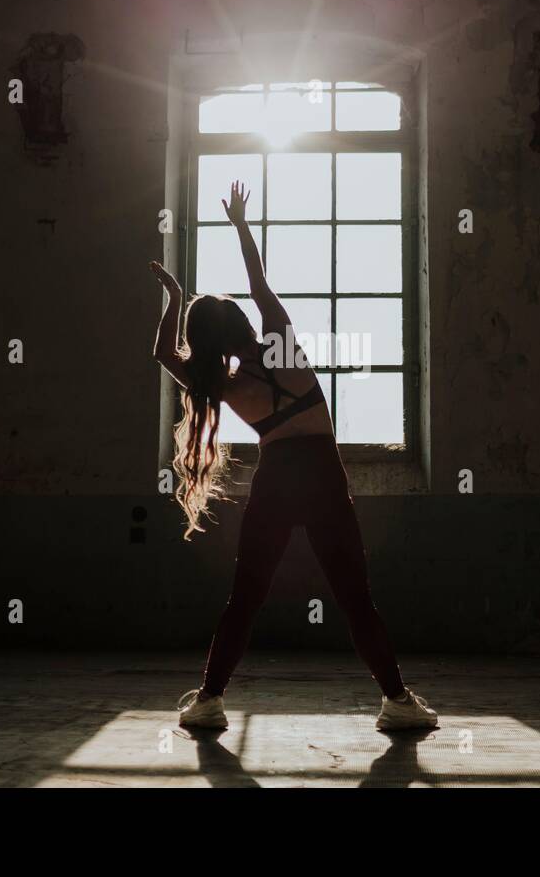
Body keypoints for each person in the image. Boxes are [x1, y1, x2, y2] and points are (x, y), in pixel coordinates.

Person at [149, 180, 437, 732]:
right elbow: (258, 283)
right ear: (240, 323)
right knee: (355, 596)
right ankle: (397, 702)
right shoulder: (280, 339)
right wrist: (239, 225)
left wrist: (175, 297)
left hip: (277, 477)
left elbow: (162, 351)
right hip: (322, 473)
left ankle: (208, 702)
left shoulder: (222, 384)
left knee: (247, 596)